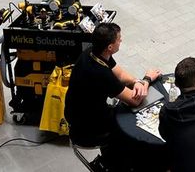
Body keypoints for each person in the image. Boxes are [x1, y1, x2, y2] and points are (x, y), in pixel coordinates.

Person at [65, 22, 161, 172]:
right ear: (110, 47)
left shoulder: (92, 52)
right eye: (119, 39)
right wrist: (147, 79)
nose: (121, 40)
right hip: (88, 126)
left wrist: (137, 82)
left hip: (79, 113)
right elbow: (135, 100)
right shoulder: (100, 73)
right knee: (131, 121)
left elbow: (121, 74)